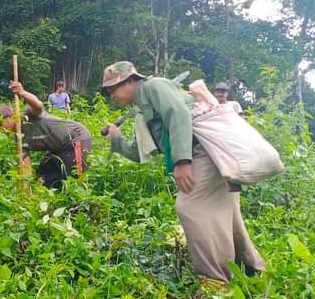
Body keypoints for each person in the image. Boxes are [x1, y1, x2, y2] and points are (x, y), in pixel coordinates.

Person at [101, 61, 264, 286]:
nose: (112, 96)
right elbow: (140, 152)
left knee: (190, 207)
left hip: (203, 150)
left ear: (130, 81)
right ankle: (252, 268)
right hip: (202, 153)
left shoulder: (153, 86)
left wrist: (182, 161)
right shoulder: (141, 108)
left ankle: (214, 280)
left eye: (113, 89)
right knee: (227, 212)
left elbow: (178, 114)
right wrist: (116, 138)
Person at [0, 81, 91, 189]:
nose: (1, 129)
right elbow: (25, 167)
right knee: (45, 175)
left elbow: (38, 106)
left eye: (0, 124)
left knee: (74, 178)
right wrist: (24, 191)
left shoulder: (28, 114)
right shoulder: (19, 139)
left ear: (9, 117)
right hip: (58, 149)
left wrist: (22, 93)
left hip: (76, 137)